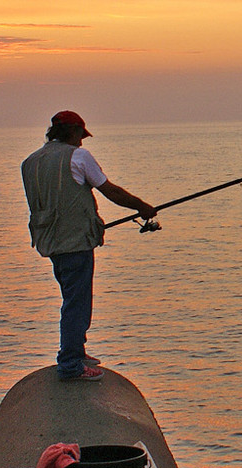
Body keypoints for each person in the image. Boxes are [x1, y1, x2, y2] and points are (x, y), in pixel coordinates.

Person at [20, 110, 156, 380]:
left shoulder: (30, 162)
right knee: (76, 302)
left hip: (49, 241)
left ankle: (77, 351)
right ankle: (71, 364)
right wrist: (142, 207)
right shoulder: (78, 156)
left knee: (72, 296)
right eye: (81, 136)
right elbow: (111, 191)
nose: (82, 142)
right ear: (72, 132)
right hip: (75, 242)